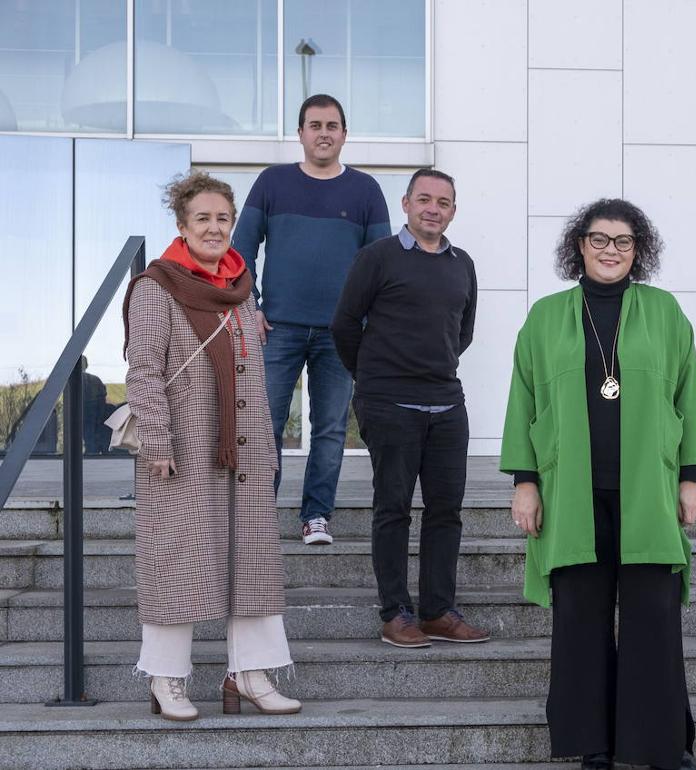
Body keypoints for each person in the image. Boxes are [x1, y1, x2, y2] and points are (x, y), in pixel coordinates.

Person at [500, 199, 696, 770]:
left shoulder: (666, 312)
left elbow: (688, 395)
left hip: (648, 486)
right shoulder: (545, 317)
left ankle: (660, 742)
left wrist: (690, 478)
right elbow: (523, 399)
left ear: (638, 249)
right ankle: (591, 741)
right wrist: (525, 482)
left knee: (653, 617)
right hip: (570, 488)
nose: (611, 250)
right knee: (580, 619)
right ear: (580, 245)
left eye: (622, 241)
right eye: (599, 239)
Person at [123, 171, 300, 721]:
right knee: (177, 564)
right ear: (181, 224)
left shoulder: (241, 290)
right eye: (203, 218)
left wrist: (267, 447)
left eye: (223, 218)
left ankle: (249, 675)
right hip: (179, 451)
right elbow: (144, 372)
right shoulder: (156, 287)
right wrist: (156, 443)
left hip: (243, 453)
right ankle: (167, 680)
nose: (214, 227)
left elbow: (252, 375)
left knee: (251, 565)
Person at [330, 168, 488, 649]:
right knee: (393, 509)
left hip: (446, 404)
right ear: (406, 204)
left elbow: (463, 332)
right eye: (424, 199)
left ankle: (438, 611)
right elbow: (344, 325)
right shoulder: (376, 258)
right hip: (388, 403)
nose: (433, 209)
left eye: (443, 202)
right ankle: (396, 612)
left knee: (446, 511)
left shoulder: (462, 264)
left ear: (453, 211)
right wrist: (375, 378)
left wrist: (429, 369)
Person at [233, 93, 391, 546]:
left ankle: (316, 516)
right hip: (276, 329)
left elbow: (378, 265)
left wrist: (364, 322)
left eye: (332, 126)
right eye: (315, 125)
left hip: (339, 334)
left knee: (330, 429)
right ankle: (259, 516)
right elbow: (242, 249)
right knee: (265, 425)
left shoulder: (365, 191)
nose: (324, 133)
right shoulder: (271, 182)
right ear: (300, 133)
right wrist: (250, 305)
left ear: (344, 134)